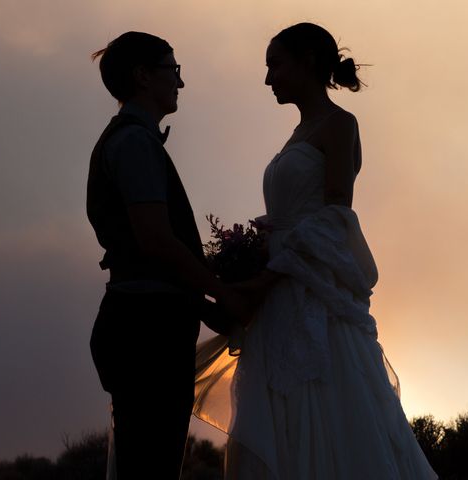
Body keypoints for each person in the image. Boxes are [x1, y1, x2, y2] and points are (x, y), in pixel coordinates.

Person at [194, 23, 438, 479]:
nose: (269, 80)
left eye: (276, 65)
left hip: (310, 296)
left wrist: (266, 276)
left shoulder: (339, 125)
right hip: (278, 297)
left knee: (324, 414)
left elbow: (335, 216)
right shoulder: (297, 133)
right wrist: (245, 255)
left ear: (307, 61)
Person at [87, 31, 245, 479]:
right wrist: (219, 291)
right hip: (146, 331)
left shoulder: (134, 140)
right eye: (173, 70)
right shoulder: (135, 143)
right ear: (142, 77)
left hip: (144, 323)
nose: (180, 83)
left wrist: (204, 306)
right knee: (151, 464)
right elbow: (154, 239)